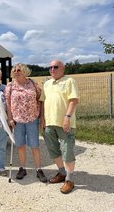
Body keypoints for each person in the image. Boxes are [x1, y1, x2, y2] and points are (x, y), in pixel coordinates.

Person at [40, 59, 79, 194]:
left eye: (55, 67)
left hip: (65, 123)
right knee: (53, 150)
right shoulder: (47, 84)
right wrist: (42, 119)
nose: (52, 70)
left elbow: (74, 100)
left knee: (67, 151)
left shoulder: (69, 81)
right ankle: (61, 173)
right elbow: (43, 102)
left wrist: (67, 118)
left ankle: (69, 180)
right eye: (49, 67)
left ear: (62, 68)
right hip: (49, 123)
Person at [5, 63, 47, 183]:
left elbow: (40, 99)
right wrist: (10, 118)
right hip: (17, 121)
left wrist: (42, 117)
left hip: (32, 119)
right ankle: (22, 168)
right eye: (14, 70)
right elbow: (8, 103)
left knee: (34, 145)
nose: (16, 72)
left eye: (19, 70)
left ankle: (39, 169)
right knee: (20, 145)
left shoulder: (33, 83)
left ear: (24, 71)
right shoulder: (10, 86)